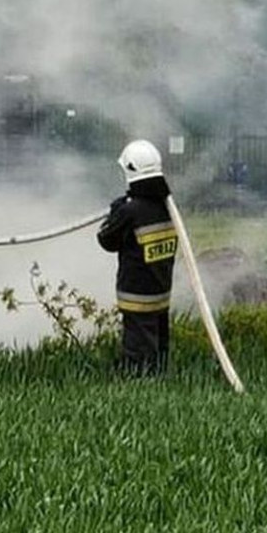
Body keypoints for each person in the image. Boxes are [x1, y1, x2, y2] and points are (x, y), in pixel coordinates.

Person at [97, 139, 178, 375]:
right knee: (158, 342)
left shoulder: (130, 211)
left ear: (131, 170)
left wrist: (116, 214)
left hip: (136, 296)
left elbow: (106, 240)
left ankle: (137, 380)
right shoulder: (167, 207)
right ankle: (159, 375)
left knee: (137, 348)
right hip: (161, 293)